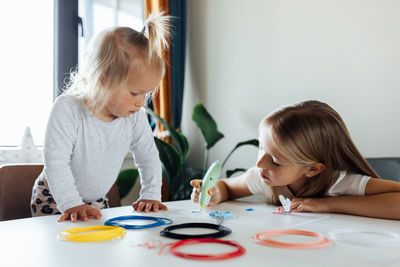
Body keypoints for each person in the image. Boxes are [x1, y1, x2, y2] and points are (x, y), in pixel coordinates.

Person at [31, 13, 170, 222]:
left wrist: (151, 194)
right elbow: (56, 162)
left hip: (96, 201)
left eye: (146, 94)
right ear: (103, 82)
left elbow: (148, 156)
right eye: (134, 93)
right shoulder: (68, 109)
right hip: (55, 199)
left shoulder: (134, 116)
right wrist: (71, 203)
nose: (142, 102)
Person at [191, 100, 400, 220]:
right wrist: (216, 191)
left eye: (274, 160)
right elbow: (229, 187)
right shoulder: (264, 178)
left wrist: (327, 205)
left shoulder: (341, 183)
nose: (260, 164)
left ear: (313, 169)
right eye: (260, 148)